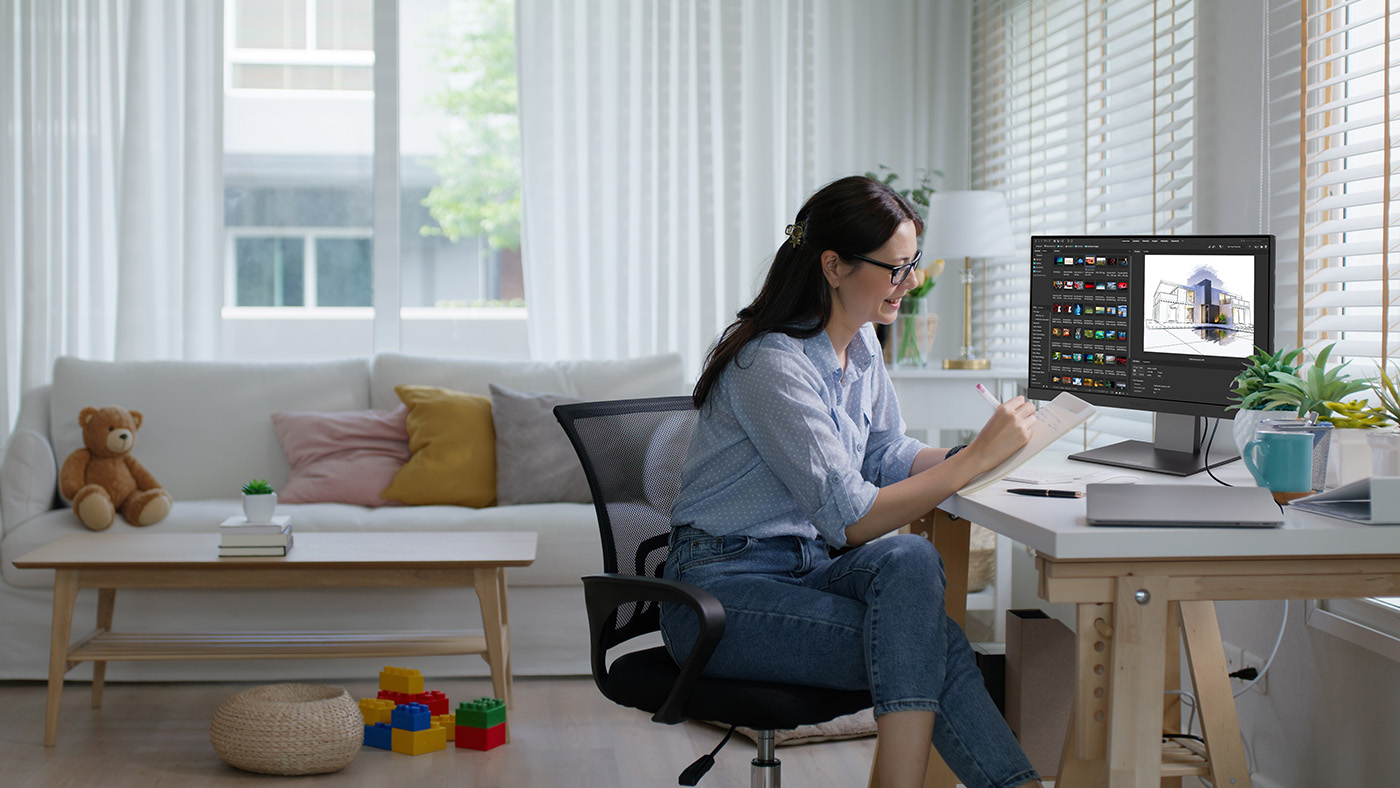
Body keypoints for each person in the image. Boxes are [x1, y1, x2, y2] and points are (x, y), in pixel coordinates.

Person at [660, 175, 1045, 788]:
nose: (911, 281)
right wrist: (968, 466)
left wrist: (975, 452)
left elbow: (886, 451)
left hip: (805, 570)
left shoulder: (862, 342)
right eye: (895, 268)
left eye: (912, 263)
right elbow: (851, 517)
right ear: (833, 266)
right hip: (718, 596)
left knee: (911, 558)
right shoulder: (771, 365)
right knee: (929, 646)